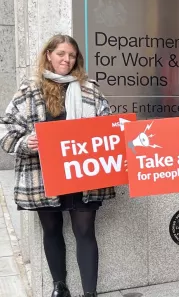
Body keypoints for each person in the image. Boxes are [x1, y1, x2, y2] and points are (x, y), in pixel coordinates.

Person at [0, 34, 115, 297]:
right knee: (51, 229)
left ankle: (89, 293)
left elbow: (106, 122)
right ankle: (59, 287)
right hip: (44, 175)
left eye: (72, 55)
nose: (67, 59)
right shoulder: (30, 89)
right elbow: (6, 128)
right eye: (61, 53)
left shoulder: (89, 88)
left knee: (85, 230)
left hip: (83, 173)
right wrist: (26, 142)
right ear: (49, 55)